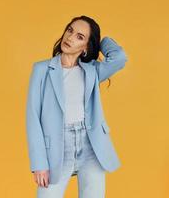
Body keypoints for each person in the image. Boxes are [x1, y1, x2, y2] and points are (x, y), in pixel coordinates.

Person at [25, 15, 128, 198]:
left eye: (80, 37)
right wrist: (39, 163)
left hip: (91, 145)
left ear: (86, 47)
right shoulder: (42, 69)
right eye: (70, 30)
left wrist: (101, 41)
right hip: (57, 146)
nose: (70, 37)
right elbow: (32, 117)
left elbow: (119, 58)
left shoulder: (92, 71)